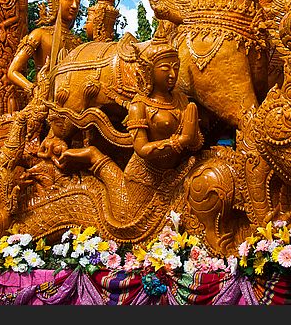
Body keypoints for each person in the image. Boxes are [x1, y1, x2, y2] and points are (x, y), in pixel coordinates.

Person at [55, 23, 202, 220]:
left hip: (175, 174)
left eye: (176, 68)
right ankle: (92, 155)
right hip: (143, 178)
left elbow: (195, 143)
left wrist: (193, 136)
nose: (172, 75)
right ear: (149, 71)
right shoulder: (139, 105)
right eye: (165, 69)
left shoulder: (182, 101)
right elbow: (142, 149)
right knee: (127, 219)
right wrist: (179, 141)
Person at [7, 0, 82, 101]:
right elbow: (13, 71)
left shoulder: (77, 43)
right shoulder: (40, 34)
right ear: (55, 0)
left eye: (78, 1)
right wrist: (31, 88)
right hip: (44, 98)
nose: (74, 5)